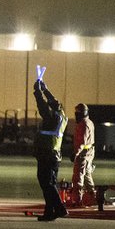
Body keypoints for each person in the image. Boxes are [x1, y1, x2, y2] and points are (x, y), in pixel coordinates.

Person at [33, 79, 69, 221]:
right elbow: (54, 102)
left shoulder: (52, 117)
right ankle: (49, 212)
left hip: (46, 153)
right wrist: (46, 90)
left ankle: (60, 208)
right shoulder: (63, 117)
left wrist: (38, 92)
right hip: (55, 154)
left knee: (46, 183)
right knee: (50, 183)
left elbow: (42, 107)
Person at [71, 103, 96, 205]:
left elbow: (82, 142)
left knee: (78, 177)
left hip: (83, 154)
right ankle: (93, 197)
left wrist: (75, 153)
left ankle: (77, 200)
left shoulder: (83, 124)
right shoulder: (89, 122)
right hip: (89, 152)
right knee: (87, 175)